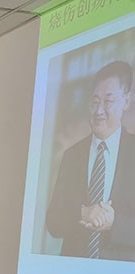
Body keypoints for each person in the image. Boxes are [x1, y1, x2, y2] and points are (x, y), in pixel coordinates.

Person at [46, 61, 135, 261]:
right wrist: (83, 213)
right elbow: (53, 222)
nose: (99, 111)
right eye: (95, 102)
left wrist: (115, 223)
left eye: (108, 101)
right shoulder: (72, 155)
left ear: (126, 101)